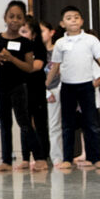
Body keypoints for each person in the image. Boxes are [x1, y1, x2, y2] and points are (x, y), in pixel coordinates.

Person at [47, 6, 100, 169]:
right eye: (68, 18)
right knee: (67, 124)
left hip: (86, 86)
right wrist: (45, 85)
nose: (73, 20)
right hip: (67, 86)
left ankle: (95, 158)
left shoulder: (90, 40)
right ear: (62, 23)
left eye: (76, 17)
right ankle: (67, 159)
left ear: (81, 21)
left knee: (91, 123)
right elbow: (55, 67)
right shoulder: (60, 43)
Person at [0, 0, 44, 172]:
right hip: (1, 87)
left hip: (19, 87)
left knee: (24, 123)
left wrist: (12, 58)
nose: (14, 20)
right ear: (5, 17)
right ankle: (6, 161)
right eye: (11, 16)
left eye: (19, 17)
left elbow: (29, 67)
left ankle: (39, 158)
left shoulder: (26, 43)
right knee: (5, 124)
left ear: (23, 20)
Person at [20, 15, 50, 170]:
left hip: (36, 89)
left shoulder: (38, 47)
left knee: (39, 123)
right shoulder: (18, 47)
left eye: (24, 31)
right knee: (24, 123)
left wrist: (16, 62)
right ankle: (25, 158)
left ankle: (43, 156)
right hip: (21, 89)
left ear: (34, 34)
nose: (21, 34)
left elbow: (36, 66)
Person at [39, 19, 64, 165]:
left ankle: (58, 157)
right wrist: (45, 91)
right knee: (45, 125)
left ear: (51, 32)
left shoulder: (57, 50)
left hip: (58, 89)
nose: (40, 35)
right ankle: (45, 156)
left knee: (57, 125)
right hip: (43, 91)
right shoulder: (37, 52)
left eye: (42, 31)